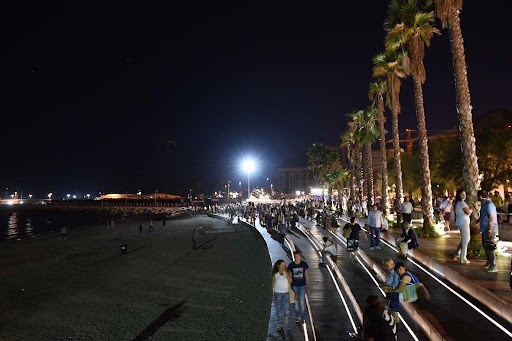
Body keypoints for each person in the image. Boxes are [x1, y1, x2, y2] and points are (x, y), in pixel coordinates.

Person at [477, 190, 499, 273]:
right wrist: (478, 221)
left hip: (489, 229)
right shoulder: (484, 204)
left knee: (490, 247)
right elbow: (484, 216)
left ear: (480, 196)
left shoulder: (489, 204)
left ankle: (493, 265)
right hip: (485, 229)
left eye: (477, 196)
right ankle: (489, 262)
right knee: (485, 245)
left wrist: (490, 229)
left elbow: (491, 217)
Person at [287, 251, 310, 324]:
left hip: (302, 285)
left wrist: (308, 286)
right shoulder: (291, 265)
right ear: (294, 257)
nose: (297, 258)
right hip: (294, 286)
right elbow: (289, 276)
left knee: (302, 302)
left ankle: (302, 317)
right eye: (296, 256)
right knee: (296, 302)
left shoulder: (304, 264)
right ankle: (298, 316)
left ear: (300, 256)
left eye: (298, 256)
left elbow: (307, 276)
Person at [272, 259, 292, 331]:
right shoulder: (275, 274)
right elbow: (272, 284)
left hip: (285, 293)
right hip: (277, 293)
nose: (284, 266)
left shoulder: (287, 273)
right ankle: (280, 322)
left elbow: (290, 281)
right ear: (278, 266)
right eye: (282, 265)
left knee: (285, 308)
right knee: (278, 308)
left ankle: (286, 316)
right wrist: (272, 293)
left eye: (284, 265)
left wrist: (286, 273)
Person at [453, 189, 472, 264]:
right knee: (466, 239)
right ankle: (463, 257)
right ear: (459, 195)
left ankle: (459, 253)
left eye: (465, 194)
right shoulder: (461, 203)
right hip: (463, 223)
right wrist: (471, 210)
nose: (464, 196)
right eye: (462, 194)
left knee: (465, 239)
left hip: (461, 222)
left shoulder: (459, 203)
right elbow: (467, 212)